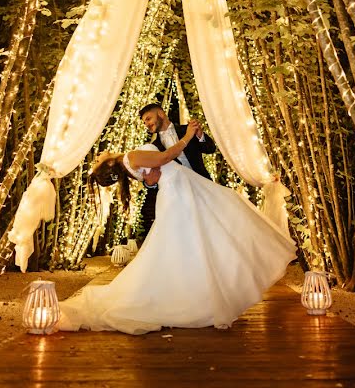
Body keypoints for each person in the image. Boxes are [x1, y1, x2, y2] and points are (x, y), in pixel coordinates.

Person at [56, 120, 296, 335]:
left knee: (196, 238)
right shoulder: (130, 158)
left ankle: (199, 291)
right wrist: (188, 136)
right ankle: (193, 295)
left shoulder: (130, 161)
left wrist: (154, 173)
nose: (100, 154)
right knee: (194, 238)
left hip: (183, 187)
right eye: (99, 159)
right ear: (108, 164)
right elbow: (163, 158)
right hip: (178, 192)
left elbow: (153, 174)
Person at [137, 103, 216, 237]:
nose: (147, 124)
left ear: (161, 114)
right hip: (179, 194)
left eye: (149, 119)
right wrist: (149, 183)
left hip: (202, 185)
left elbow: (210, 149)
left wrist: (200, 135)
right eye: (145, 122)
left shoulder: (188, 129)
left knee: (211, 227)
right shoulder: (153, 147)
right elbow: (151, 178)